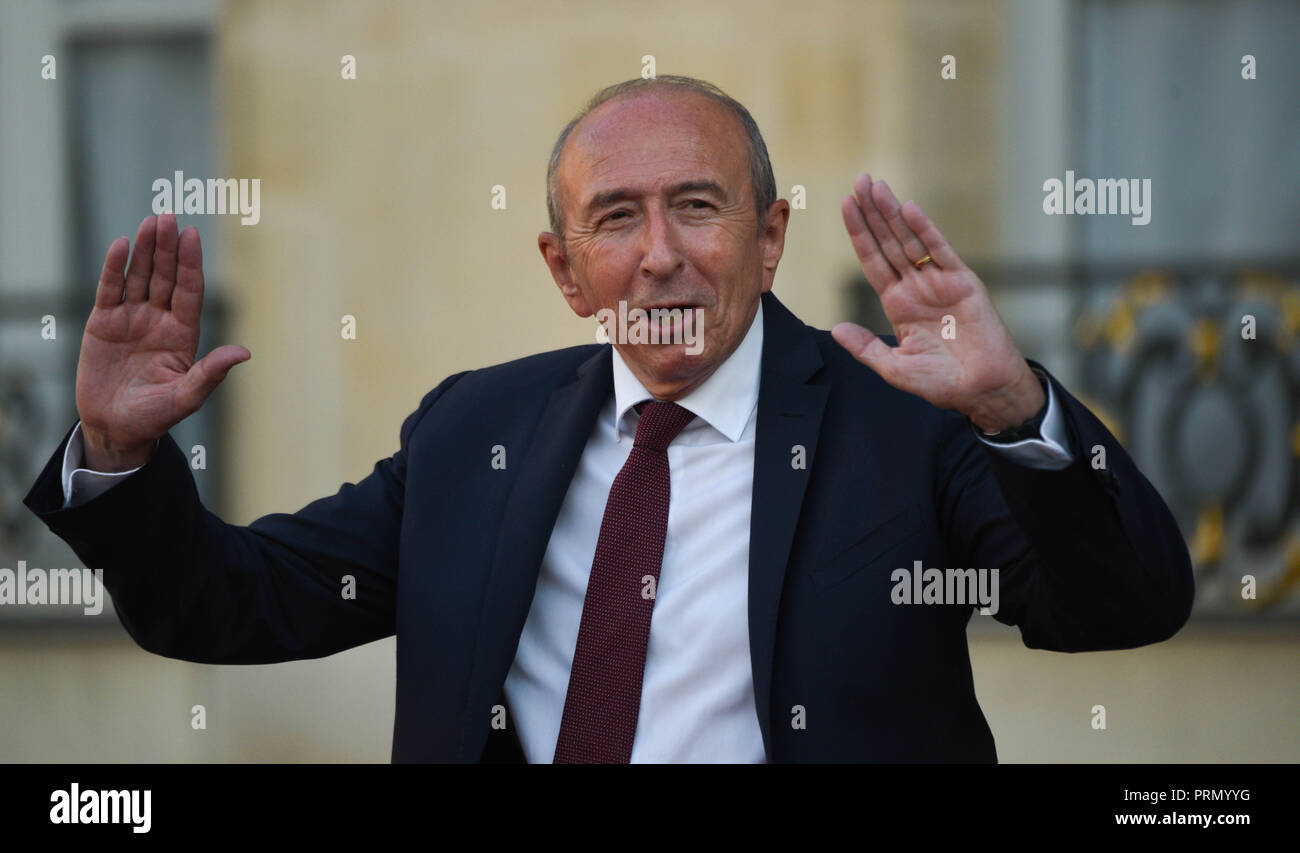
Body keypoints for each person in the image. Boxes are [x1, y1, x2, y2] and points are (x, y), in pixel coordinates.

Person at [24, 75, 1194, 762]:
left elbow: (1123, 605)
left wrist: (1011, 405)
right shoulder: (473, 432)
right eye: (616, 221)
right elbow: (227, 602)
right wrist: (123, 454)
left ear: (770, 238)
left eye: (698, 206)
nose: (661, 259)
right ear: (563, 269)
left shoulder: (905, 424)